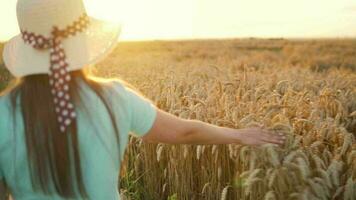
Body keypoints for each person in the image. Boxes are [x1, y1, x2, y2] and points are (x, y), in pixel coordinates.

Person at [0, 0, 286, 199]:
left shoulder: (3, 113)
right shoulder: (114, 97)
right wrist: (238, 134)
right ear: (82, 40)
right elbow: (184, 131)